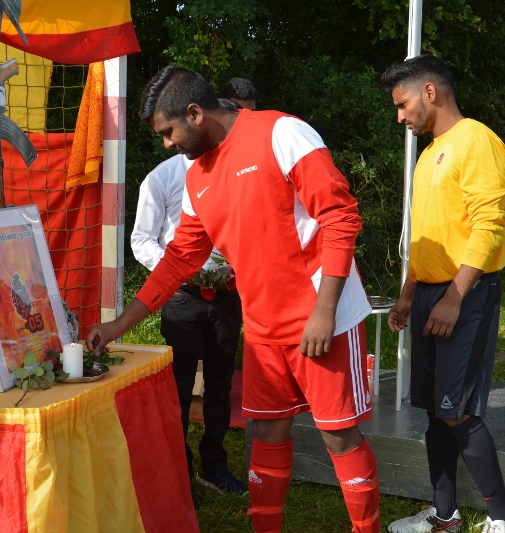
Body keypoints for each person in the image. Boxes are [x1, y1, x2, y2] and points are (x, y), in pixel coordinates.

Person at [87, 66, 379, 533]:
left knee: (338, 435)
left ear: (195, 113)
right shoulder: (196, 177)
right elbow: (178, 259)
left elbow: (340, 217)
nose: (166, 144)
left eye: (168, 132)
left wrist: (325, 312)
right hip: (262, 327)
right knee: (266, 433)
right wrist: (120, 324)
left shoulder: (282, 132)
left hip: (323, 317)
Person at [380, 54, 505, 533]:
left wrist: (455, 296)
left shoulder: (477, 141)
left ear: (430, 92)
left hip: (466, 293)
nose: (400, 116)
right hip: (428, 294)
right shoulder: (429, 153)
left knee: (456, 411)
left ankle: (504, 520)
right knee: (434, 411)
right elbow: (428, 237)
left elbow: (489, 225)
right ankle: (445, 517)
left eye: (402, 104)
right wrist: (408, 293)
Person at [131, 135, 246, 495]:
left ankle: (214, 466)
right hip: (181, 296)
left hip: (227, 293)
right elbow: (141, 239)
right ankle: (178, 470)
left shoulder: (235, 171)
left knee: (221, 383)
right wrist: (179, 271)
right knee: (178, 385)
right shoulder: (162, 177)